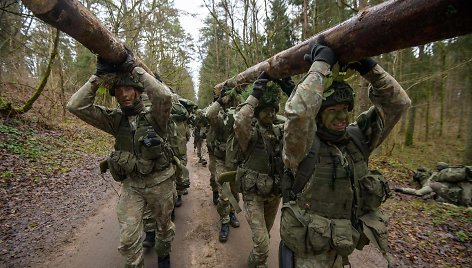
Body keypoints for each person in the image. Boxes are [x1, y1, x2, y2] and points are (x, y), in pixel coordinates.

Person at [279, 42, 411, 268]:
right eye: (332, 110)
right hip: (307, 257)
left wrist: (369, 68)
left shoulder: (358, 139)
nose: (342, 117)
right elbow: (298, 112)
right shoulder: (301, 146)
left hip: (340, 248)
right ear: (318, 115)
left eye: (345, 109)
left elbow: (399, 103)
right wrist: (320, 66)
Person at [67, 52, 175, 268]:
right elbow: (75, 106)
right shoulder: (115, 120)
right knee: (127, 239)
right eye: (119, 91)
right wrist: (97, 78)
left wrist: (135, 68)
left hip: (160, 183)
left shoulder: (157, 117)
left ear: (137, 91)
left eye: (128, 89)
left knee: (164, 228)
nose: (124, 94)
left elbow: (164, 97)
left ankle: (163, 256)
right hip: (132, 186)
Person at [233, 76, 293, 267]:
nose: (270, 114)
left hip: (273, 194)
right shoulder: (249, 134)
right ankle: (256, 262)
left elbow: (303, 120)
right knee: (262, 245)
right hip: (253, 195)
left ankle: (259, 263)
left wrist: (292, 91)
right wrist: (255, 95)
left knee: (265, 236)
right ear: (257, 113)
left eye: (273, 110)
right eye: (265, 110)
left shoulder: (281, 131)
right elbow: (241, 120)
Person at [206, 87, 241, 242]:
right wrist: (219, 101)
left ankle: (233, 212)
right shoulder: (219, 116)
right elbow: (209, 114)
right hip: (221, 160)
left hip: (238, 161)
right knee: (223, 195)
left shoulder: (241, 114)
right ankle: (224, 221)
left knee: (234, 192)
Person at [396, 163, 472, 207]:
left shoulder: (438, 177)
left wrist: (402, 189)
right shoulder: (461, 180)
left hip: (438, 191)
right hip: (449, 196)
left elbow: (418, 192)